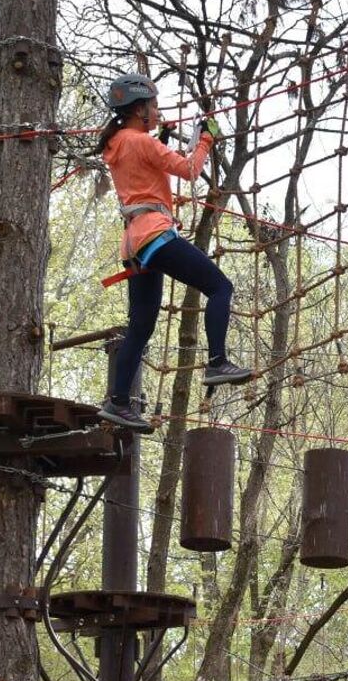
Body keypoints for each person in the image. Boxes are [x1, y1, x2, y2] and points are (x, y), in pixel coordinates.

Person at [95, 72, 252, 433]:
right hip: (155, 235)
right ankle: (216, 361)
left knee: (142, 325)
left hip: (133, 243)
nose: (158, 110)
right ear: (139, 109)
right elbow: (189, 170)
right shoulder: (141, 142)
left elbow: (143, 170)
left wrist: (161, 137)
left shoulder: (117, 144)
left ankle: (118, 402)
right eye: (153, 105)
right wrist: (206, 140)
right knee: (219, 287)